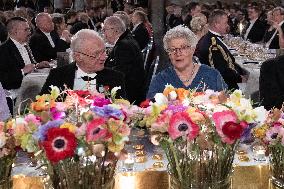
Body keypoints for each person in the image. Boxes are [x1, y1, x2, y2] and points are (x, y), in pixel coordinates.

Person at [40, 29, 126, 98]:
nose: (104, 58)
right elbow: (42, 107)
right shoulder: (57, 76)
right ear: (78, 57)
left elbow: (121, 111)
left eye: (104, 52)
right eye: (96, 54)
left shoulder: (115, 78)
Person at [147, 25, 227, 99]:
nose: (178, 53)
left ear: (192, 49)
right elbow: (150, 109)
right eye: (173, 49)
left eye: (183, 48)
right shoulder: (160, 80)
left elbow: (227, 106)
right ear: (168, 53)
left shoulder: (212, 76)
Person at [0, 17, 50, 114]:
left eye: (29, 29)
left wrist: (36, 65)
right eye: (26, 29)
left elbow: (28, 66)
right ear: (15, 32)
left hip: (32, 88)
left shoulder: (26, 45)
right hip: (17, 93)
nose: (29, 32)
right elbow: (3, 79)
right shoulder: (4, 50)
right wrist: (22, 71)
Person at [195, 9, 245, 90]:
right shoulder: (213, 45)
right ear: (217, 25)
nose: (227, 25)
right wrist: (239, 78)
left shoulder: (208, 37)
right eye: (225, 23)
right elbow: (220, 71)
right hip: (223, 86)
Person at [103, 16, 145, 105]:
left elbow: (119, 74)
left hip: (128, 95)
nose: (104, 33)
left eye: (105, 30)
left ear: (115, 30)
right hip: (132, 88)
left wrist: (101, 75)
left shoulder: (123, 46)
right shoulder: (127, 39)